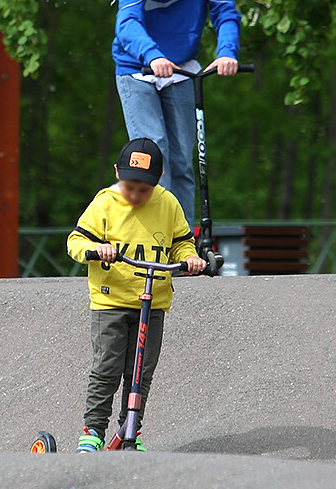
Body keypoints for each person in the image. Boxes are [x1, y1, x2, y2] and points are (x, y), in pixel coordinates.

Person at [111, 0, 242, 226]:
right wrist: (152, 55)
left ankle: (182, 239)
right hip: (137, 67)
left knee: (185, 158)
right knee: (156, 154)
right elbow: (127, 23)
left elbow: (225, 12)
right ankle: (155, 235)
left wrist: (227, 51)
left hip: (182, 66)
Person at [67, 138, 205, 452]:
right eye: (130, 187)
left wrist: (191, 258)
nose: (136, 195)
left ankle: (130, 431)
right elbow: (74, 242)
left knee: (141, 372)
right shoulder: (104, 203)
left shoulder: (168, 203)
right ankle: (93, 431)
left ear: (158, 181)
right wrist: (96, 249)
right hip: (110, 300)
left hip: (153, 301)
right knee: (107, 367)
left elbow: (181, 243)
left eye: (144, 189)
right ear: (117, 173)